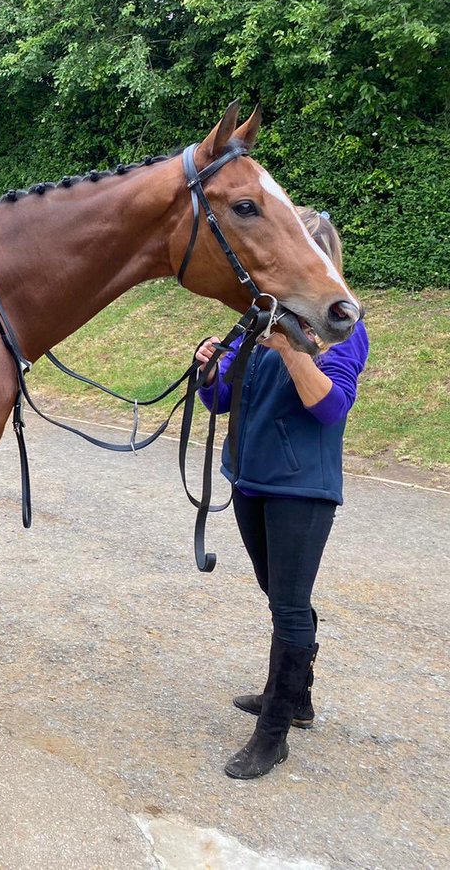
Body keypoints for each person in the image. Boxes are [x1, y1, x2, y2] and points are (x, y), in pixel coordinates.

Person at [196, 207, 368, 780]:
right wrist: (209, 370)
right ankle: (298, 699)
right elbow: (223, 401)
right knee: (279, 596)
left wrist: (293, 351)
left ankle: (272, 732)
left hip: (302, 489)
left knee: (289, 608)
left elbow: (331, 407)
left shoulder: (342, 328)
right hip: (250, 480)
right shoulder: (256, 320)